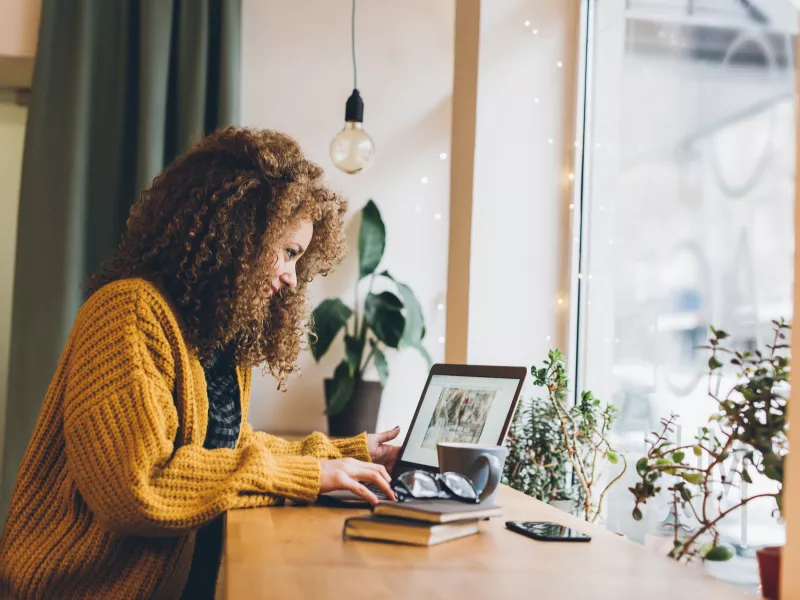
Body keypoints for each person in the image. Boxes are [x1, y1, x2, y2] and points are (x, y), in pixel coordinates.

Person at [0, 128, 401, 599]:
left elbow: (224, 449)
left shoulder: (214, 333)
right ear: (237, 234)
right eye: (288, 252)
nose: (293, 278)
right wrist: (309, 476)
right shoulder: (127, 312)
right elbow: (137, 490)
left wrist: (351, 453)